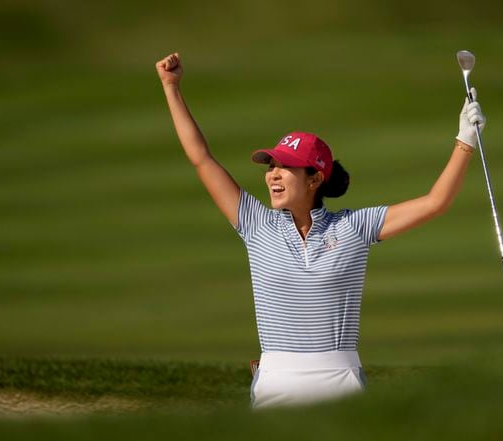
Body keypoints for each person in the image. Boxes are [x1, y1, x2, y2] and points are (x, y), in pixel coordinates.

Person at [155, 52, 485, 410]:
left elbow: (435, 202)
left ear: (315, 179)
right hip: (274, 383)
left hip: (341, 383)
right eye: (272, 166)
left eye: (287, 168)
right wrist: (171, 87)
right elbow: (201, 157)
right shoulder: (255, 223)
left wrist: (464, 140)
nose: (273, 175)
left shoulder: (354, 226)